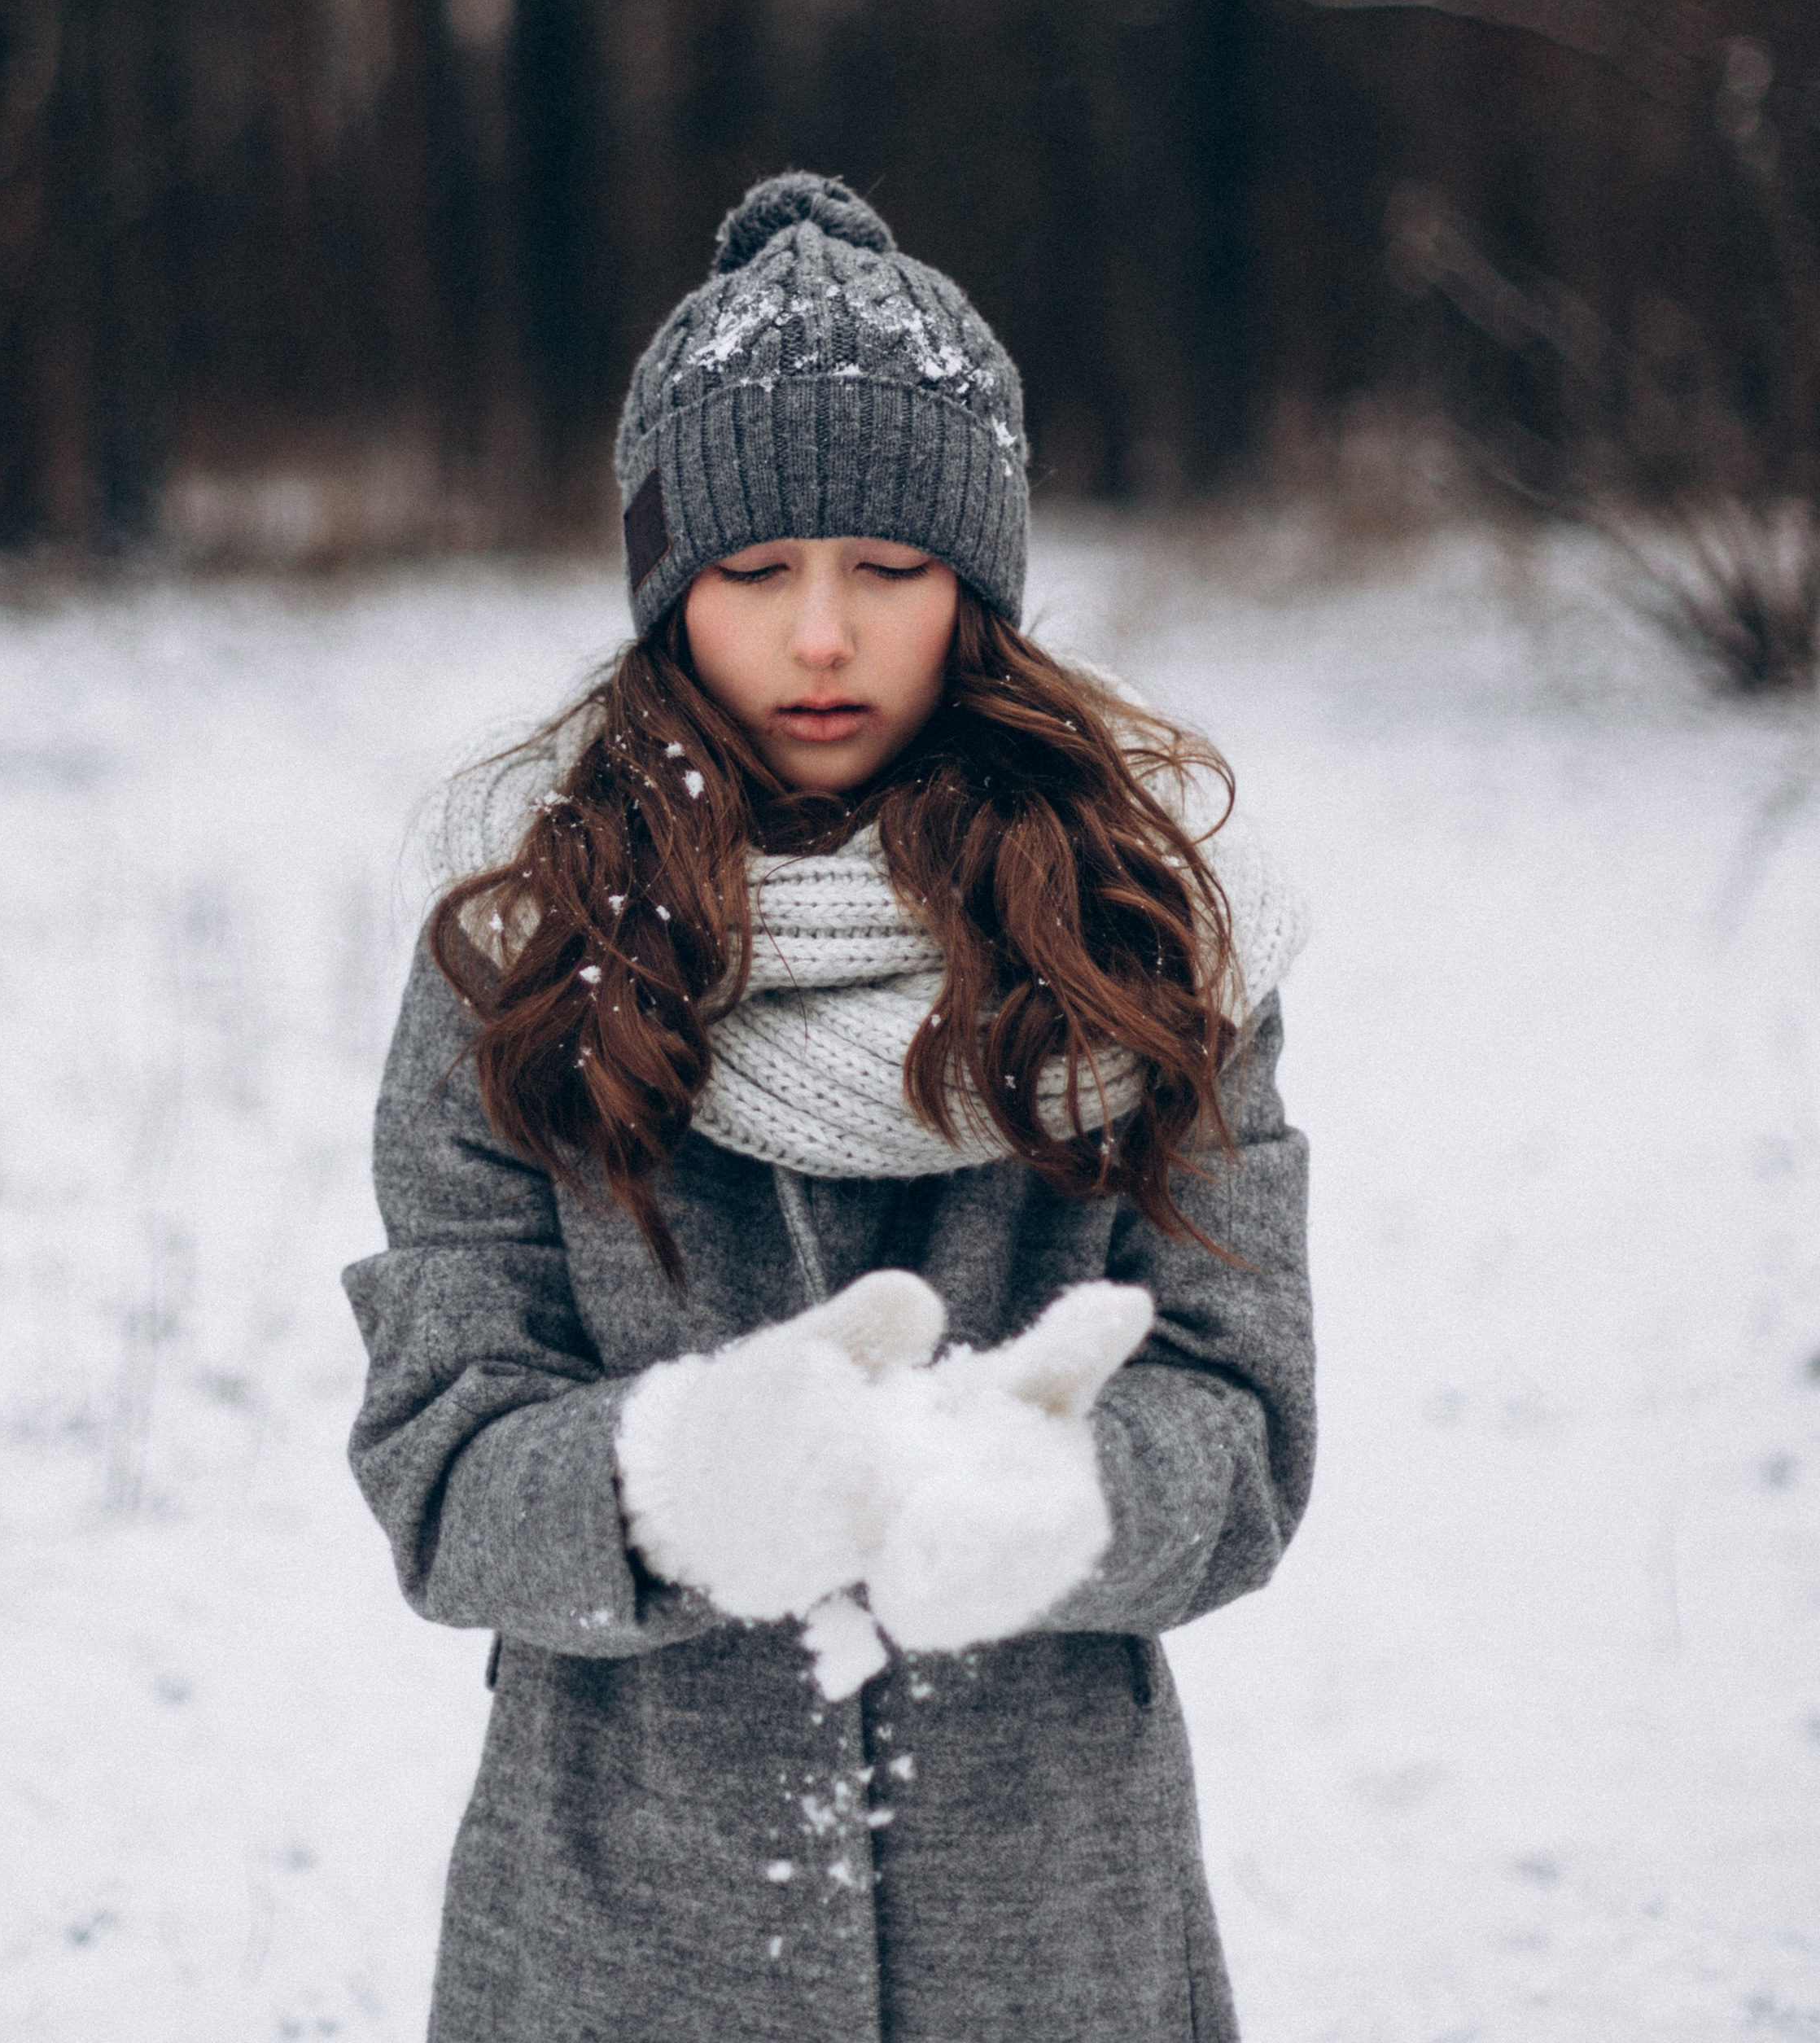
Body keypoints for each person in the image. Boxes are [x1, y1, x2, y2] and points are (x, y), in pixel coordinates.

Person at [343, 172, 1315, 2043]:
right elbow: (437, 1454)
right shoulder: (518, 956)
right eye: (749, 571)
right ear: (658, 588)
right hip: (623, 1939)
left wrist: (1061, 1495)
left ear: (977, 586)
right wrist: (663, 1485)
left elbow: (1247, 1414)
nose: (815, 641)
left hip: (1052, 1936)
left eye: (884, 571)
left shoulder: (1154, 940)